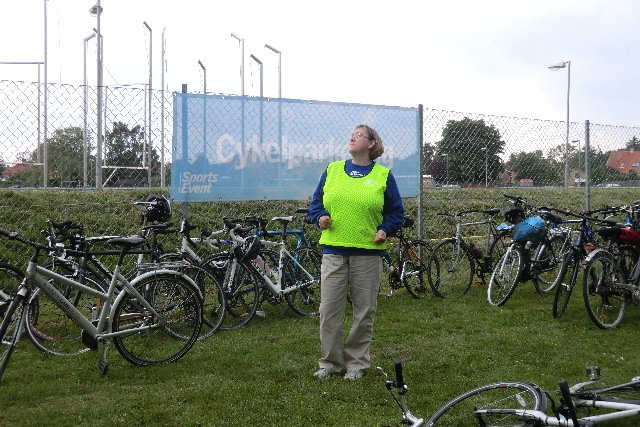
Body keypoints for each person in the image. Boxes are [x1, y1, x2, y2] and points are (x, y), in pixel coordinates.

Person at [309, 124, 404, 380]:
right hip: (333, 251)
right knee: (329, 310)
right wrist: (320, 217)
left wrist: (385, 229)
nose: (352, 137)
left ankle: (356, 364)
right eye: (352, 134)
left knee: (364, 312)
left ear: (372, 143)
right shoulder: (332, 170)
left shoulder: (384, 175)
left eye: (359, 135)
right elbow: (316, 204)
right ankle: (330, 363)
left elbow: (396, 212)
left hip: (368, 254)